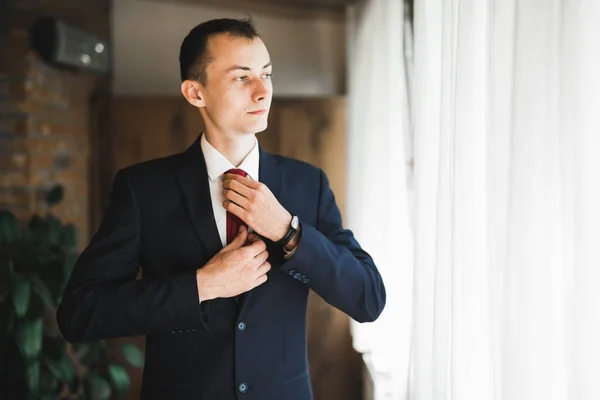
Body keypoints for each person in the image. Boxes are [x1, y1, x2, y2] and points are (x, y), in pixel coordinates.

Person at [57, 18, 386, 400]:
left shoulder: (307, 184)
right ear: (196, 92)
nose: (263, 92)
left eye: (267, 74)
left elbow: (368, 298)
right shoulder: (143, 189)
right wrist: (202, 285)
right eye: (242, 78)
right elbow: (79, 313)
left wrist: (288, 231)